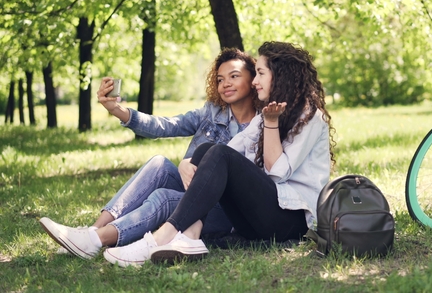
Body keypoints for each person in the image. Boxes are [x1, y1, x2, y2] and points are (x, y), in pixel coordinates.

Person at [101, 41, 336, 267]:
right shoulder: (265, 113)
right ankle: (191, 238)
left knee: (217, 154)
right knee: (207, 150)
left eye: (260, 73)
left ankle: (161, 238)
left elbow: (277, 174)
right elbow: (226, 150)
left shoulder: (310, 116)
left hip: (290, 220)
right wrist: (191, 162)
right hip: (257, 220)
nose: (255, 81)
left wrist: (271, 124)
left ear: (280, 74)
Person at [39, 48, 260, 260]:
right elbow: (165, 125)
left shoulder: (263, 124)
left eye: (234, 76)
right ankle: (91, 232)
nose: (225, 84)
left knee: (162, 197)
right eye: (220, 79)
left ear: (254, 80)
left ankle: (97, 239)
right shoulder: (213, 112)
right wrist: (116, 109)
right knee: (158, 164)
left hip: (221, 209)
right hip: (191, 189)